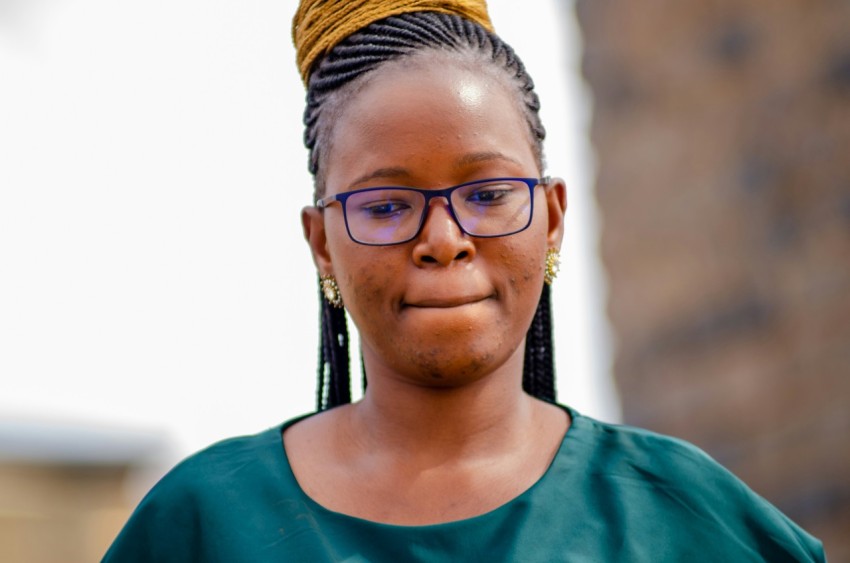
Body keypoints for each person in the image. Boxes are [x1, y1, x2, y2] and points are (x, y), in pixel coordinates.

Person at [103, 1, 825, 561]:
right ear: (322, 244)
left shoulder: (683, 519)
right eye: (386, 205)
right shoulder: (204, 524)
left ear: (552, 216)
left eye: (486, 194)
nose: (444, 240)